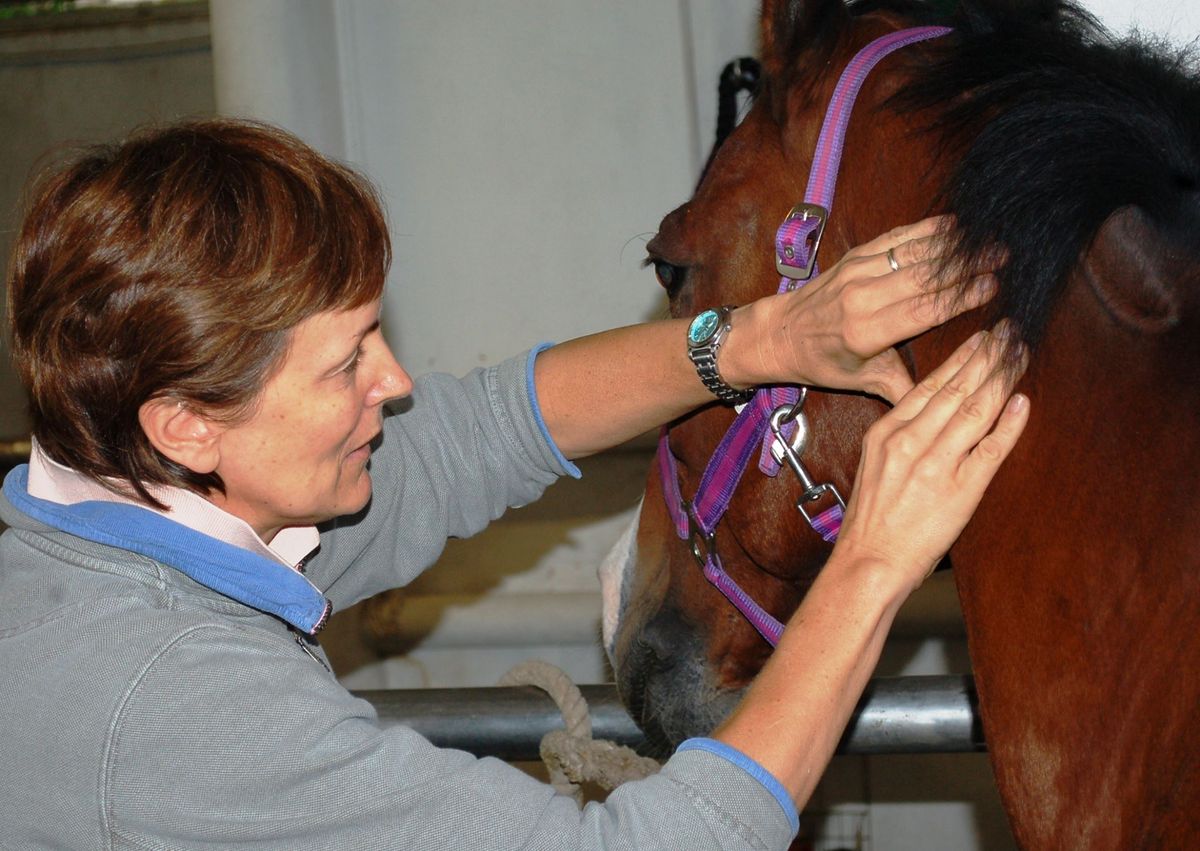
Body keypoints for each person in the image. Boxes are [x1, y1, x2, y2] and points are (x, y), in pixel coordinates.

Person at [0, 119, 1027, 850]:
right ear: (186, 424)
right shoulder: (171, 704)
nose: (395, 383)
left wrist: (758, 339)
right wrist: (876, 562)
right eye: (347, 362)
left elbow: (479, 430)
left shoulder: (120, 514)